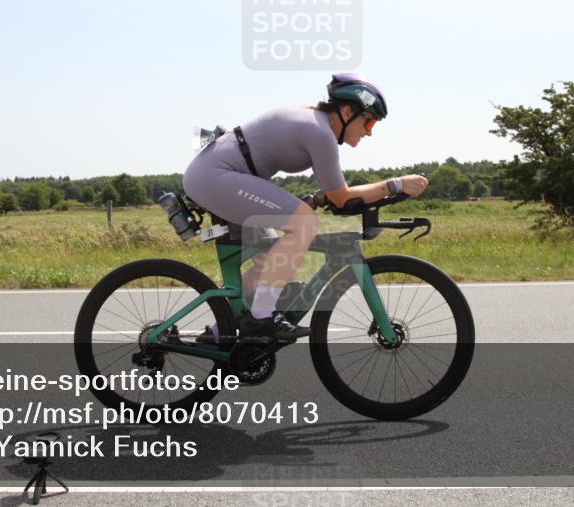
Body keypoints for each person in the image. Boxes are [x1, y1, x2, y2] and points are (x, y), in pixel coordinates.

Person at [182, 74, 428, 340]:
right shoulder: (319, 132)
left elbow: (334, 194)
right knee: (304, 222)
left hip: (218, 175)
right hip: (216, 175)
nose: (369, 131)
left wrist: (321, 198)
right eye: (369, 121)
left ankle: (222, 329)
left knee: (270, 257)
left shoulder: (316, 124)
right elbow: (341, 198)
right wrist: (396, 184)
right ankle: (261, 317)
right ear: (347, 112)